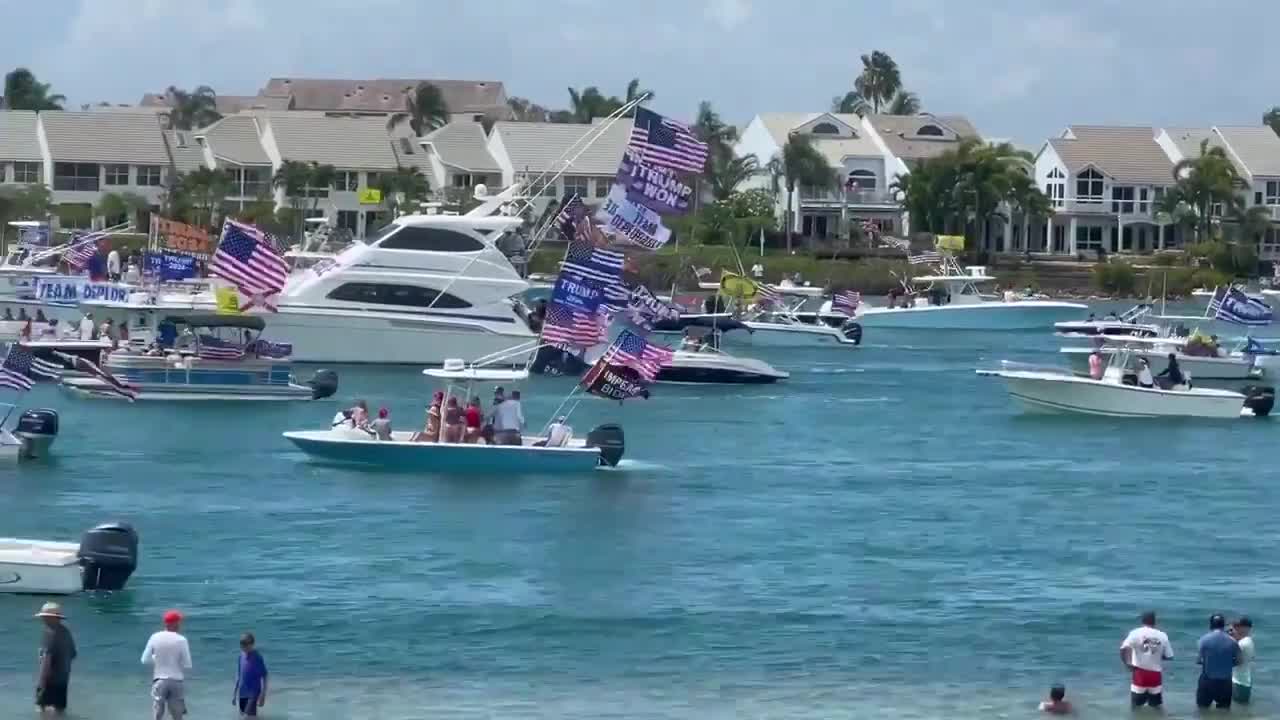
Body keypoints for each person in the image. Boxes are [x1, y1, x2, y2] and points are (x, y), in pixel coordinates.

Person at [141, 609, 193, 720]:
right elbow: (187, 664)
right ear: (174, 623)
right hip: (176, 681)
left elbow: (144, 660)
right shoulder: (181, 640)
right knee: (177, 715)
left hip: (159, 680)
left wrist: (157, 659)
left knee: (158, 714)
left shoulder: (154, 637)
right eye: (179, 621)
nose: (180, 624)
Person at [1121, 610, 1173, 708]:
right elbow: (1169, 656)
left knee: (1136, 707)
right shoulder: (1162, 635)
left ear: (1142, 621)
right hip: (1155, 675)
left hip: (1139, 673)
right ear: (1155, 621)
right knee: (1156, 707)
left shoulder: (1135, 633)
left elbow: (1123, 649)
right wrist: (1157, 654)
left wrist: (1127, 663)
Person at [34, 601, 76, 716]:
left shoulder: (49, 633)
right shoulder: (65, 632)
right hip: (63, 681)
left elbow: (46, 659)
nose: (43, 620)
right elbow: (72, 655)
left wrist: (42, 682)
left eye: (45, 617)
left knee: (41, 710)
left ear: (50, 618)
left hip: (49, 680)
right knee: (59, 710)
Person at [1197, 613, 1240, 710]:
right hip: (1225, 683)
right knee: (1223, 712)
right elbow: (1239, 661)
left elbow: (1199, 660)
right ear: (1223, 625)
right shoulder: (1232, 641)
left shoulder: (1203, 640)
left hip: (1207, 681)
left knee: (1203, 710)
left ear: (1211, 625)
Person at [233, 632, 268, 717]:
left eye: (245, 644)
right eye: (241, 644)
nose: (243, 647)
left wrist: (263, 694)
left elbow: (265, 675)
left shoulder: (257, 657)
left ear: (252, 644)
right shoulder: (241, 656)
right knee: (243, 716)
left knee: (247, 717)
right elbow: (239, 676)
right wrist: (234, 694)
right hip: (242, 693)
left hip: (253, 693)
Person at [1231, 616, 1254, 705]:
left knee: (1238, 707)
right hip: (1244, 680)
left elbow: (1236, 661)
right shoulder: (1249, 641)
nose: (1235, 628)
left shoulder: (1242, 643)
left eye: (1237, 626)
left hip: (1239, 682)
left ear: (1245, 628)